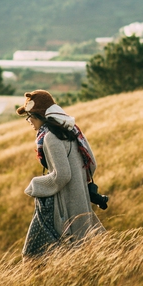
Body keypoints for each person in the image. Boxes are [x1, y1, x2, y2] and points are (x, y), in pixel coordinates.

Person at [17, 90, 104, 257]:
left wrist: (36, 185)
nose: (29, 121)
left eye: (31, 116)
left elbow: (62, 175)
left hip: (64, 204)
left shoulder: (50, 137)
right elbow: (92, 164)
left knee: (36, 255)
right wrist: (79, 183)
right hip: (81, 198)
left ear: (41, 115)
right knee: (84, 248)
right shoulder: (72, 130)